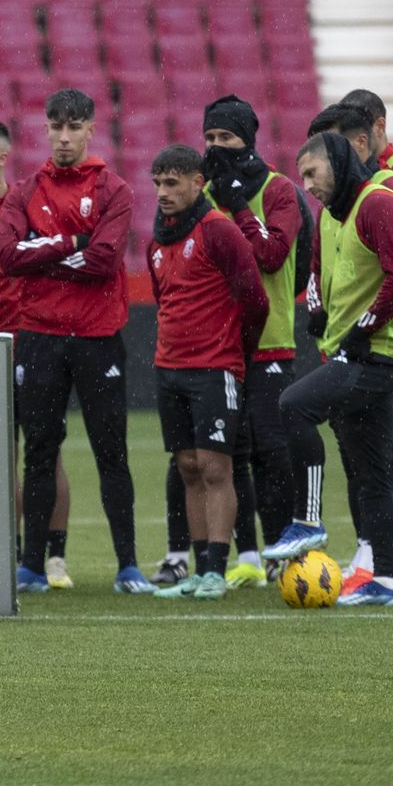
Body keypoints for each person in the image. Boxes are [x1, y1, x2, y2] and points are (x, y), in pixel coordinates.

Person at [0, 88, 151, 595]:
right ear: (45, 129)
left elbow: (104, 260)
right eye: (56, 127)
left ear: (90, 130)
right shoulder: (24, 191)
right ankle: (31, 566)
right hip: (39, 336)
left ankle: (128, 566)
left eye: (74, 127)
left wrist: (41, 252)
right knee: (40, 450)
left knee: (111, 451)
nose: (64, 137)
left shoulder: (113, 189)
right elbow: (7, 258)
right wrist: (73, 242)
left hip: (97, 336)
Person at [158, 95, 308, 590]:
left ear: (249, 139)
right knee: (213, 456)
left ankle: (280, 553)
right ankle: (237, 557)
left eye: (227, 137)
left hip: (268, 341)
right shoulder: (201, 194)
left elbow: (274, 256)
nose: (217, 146)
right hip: (214, 350)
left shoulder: (279, 191)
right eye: (210, 138)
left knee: (271, 452)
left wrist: (240, 204)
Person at [303, 103, 393, 594]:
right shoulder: (335, 202)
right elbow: (319, 265)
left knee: (387, 445)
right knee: (359, 445)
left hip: (392, 337)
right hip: (349, 339)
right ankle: (375, 555)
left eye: (332, 146)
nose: (324, 160)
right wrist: (321, 309)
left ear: (359, 142)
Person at [271, 131, 393, 607]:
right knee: (373, 473)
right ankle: (389, 581)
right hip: (351, 350)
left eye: (312, 174)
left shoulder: (380, 204)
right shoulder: (329, 214)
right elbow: (315, 272)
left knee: (293, 405)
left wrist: (363, 327)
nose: (308, 185)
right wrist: (316, 309)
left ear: (337, 164)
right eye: (302, 177)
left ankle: (308, 519)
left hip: (376, 354)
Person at [145, 145, 268, 601]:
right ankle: (199, 571)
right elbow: (165, 301)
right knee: (188, 467)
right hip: (169, 367)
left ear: (198, 183)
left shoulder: (219, 230)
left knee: (217, 468)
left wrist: (237, 352)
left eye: (172, 182)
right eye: (158, 183)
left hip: (215, 367)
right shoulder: (157, 240)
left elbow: (255, 300)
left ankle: (216, 570)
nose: (162, 192)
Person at [0, 120, 75, 587]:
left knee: (47, 452)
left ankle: (54, 556)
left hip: (32, 343)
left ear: (2, 159)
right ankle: (12, 550)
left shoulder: (31, 209)